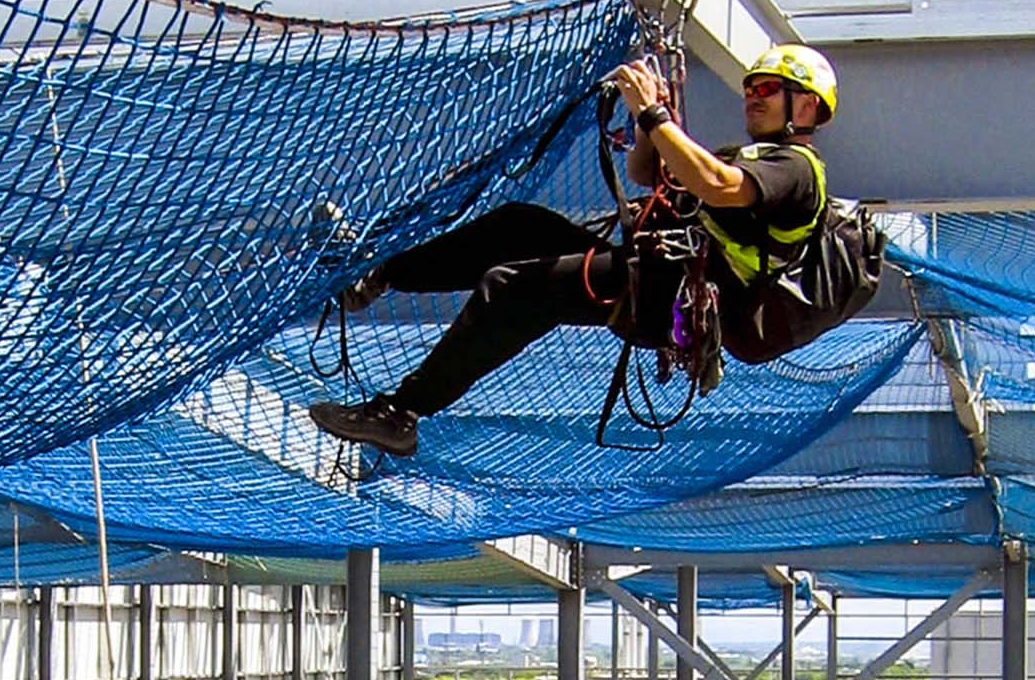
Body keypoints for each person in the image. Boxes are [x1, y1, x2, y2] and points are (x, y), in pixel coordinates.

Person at [309, 44, 840, 457]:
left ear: (807, 105)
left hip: (668, 298)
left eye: (769, 88)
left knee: (513, 289)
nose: (753, 96)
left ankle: (402, 413)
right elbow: (645, 173)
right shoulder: (749, 154)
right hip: (653, 278)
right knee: (523, 225)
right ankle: (377, 276)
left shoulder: (795, 170)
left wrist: (657, 116)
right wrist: (649, 124)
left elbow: (719, 186)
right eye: (751, 87)